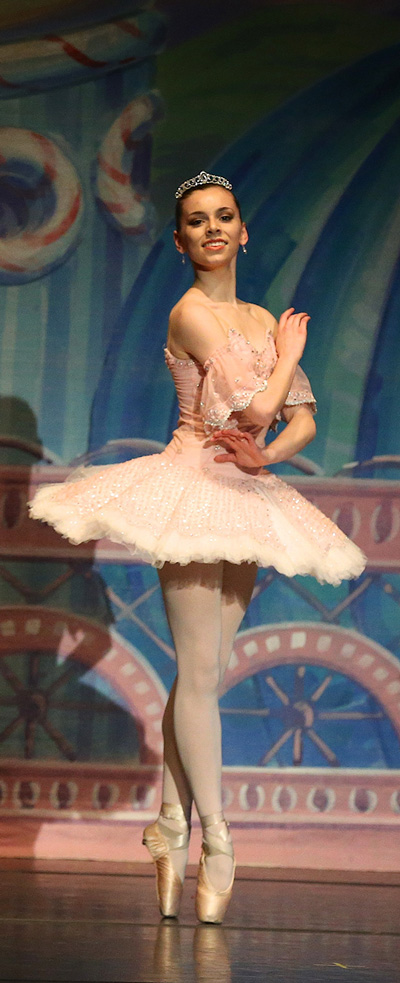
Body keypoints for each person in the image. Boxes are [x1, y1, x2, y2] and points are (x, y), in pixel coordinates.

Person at [29, 169, 366, 924]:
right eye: (196, 220)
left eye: (223, 216)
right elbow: (256, 407)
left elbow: (300, 422)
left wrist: (268, 461)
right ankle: (217, 836)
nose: (212, 228)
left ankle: (169, 823)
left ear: (243, 231)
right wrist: (283, 357)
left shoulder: (255, 315)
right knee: (202, 670)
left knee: (203, 675)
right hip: (188, 488)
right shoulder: (192, 314)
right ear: (180, 240)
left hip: (241, 497)